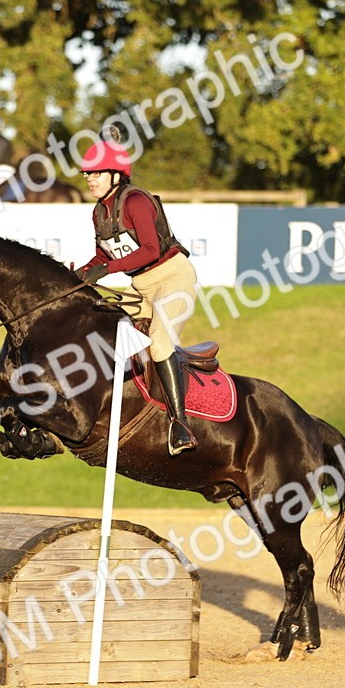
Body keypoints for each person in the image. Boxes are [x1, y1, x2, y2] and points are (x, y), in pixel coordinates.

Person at [77, 140, 198, 456]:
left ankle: (180, 424)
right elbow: (101, 256)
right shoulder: (99, 212)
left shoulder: (135, 202)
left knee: (159, 340)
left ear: (117, 175)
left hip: (173, 276)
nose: (90, 179)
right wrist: (77, 274)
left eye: (97, 173)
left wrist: (106, 269)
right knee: (107, 327)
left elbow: (150, 250)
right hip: (140, 285)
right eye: (87, 174)